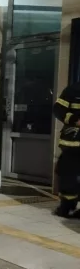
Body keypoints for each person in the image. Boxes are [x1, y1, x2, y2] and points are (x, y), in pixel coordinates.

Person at [52, 81, 80, 217]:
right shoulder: (73, 90)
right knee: (68, 174)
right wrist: (75, 120)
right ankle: (67, 206)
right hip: (73, 144)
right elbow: (58, 109)